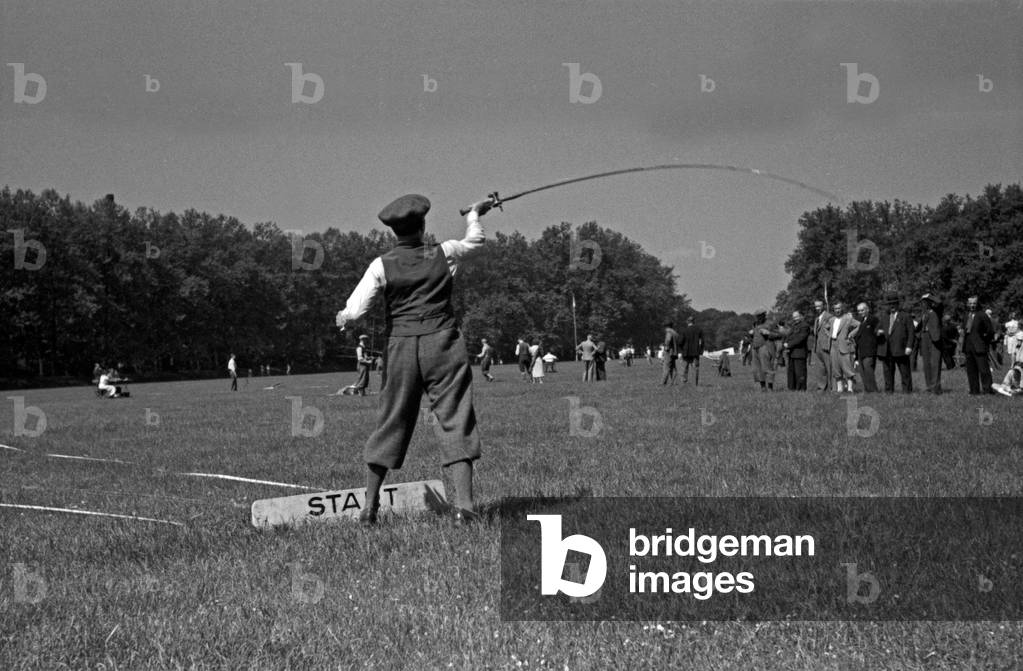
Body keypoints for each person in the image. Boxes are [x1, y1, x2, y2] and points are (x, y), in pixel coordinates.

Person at [335, 193, 492, 526]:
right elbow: (475, 243)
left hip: (401, 348)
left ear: (394, 232)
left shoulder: (381, 265)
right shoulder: (444, 252)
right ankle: (466, 507)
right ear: (423, 225)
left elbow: (356, 309)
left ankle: (370, 506)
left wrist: (343, 317)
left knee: (391, 420)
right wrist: (475, 214)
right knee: (454, 417)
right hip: (443, 343)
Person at [876, 293, 915, 393]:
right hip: (886, 350)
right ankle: (889, 391)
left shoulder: (905, 316)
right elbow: (876, 329)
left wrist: (909, 346)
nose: (891, 306)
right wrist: (878, 332)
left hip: (901, 349)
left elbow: (911, 332)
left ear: (898, 304)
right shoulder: (884, 316)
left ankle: (907, 391)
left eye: (894, 304)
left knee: (905, 372)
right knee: (887, 372)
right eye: (889, 304)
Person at [962, 295, 995, 395]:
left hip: (980, 347)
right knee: (971, 371)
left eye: (974, 303)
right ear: (968, 304)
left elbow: (990, 331)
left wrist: (983, 341)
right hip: (968, 346)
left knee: (984, 370)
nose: (972, 305)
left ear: (977, 304)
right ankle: (974, 391)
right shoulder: (966, 315)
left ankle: (988, 391)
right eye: (970, 303)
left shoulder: (982, 315)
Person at [829, 301, 859, 393]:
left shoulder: (848, 318)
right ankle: (839, 389)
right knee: (836, 368)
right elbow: (826, 328)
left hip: (844, 346)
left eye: (839, 308)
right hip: (833, 346)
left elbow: (859, 325)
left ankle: (850, 388)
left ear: (842, 308)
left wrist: (851, 334)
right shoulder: (831, 319)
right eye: (835, 309)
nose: (837, 310)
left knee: (847, 367)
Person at [918, 293, 944, 394]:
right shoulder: (924, 313)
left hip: (935, 338)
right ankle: (929, 387)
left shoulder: (937, 311)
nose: (922, 304)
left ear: (929, 302)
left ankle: (936, 389)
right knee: (926, 364)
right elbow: (920, 325)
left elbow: (940, 303)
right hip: (925, 338)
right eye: (922, 302)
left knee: (935, 363)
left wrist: (929, 296)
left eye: (924, 302)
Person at [851, 302, 879, 393]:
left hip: (870, 350)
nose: (860, 312)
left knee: (868, 369)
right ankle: (868, 390)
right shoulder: (859, 321)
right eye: (859, 311)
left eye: (862, 310)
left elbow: (877, 332)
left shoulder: (873, 319)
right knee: (862, 371)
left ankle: (873, 390)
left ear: (867, 309)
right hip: (860, 350)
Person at [751, 309, 781, 391]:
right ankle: (763, 387)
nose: (758, 318)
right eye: (757, 316)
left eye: (759, 316)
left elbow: (779, 335)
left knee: (767, 368)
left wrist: (768, 333)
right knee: (757, 369)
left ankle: (770, 387)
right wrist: (751, 334)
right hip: (755, 347)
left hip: (765, 346)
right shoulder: (755, 324)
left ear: (764, 315)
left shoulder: (771, 323)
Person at [783, 310, 810, 390]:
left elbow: (800, 338)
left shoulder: (805, 326)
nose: (795, 319)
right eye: (794, 317)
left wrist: (789, 344)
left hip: (800, 352)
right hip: (791, 353)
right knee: (791, 372)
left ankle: (801, 389)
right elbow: (788, 336)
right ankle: (792, 388)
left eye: (797, 317)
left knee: (800, 372)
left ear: (801, 316)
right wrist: (785, 342)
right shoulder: (793, 326)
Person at [811, 300, 835, 391]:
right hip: (818, 347)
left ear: (823, 306)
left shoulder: (829, 316)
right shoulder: (817, 319)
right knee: (820, 368)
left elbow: (831, 330)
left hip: (826, 346)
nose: (817, 308)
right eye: (816, 306)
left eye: (819, 306)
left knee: (829, 367)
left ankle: (831, 387)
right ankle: (821, 386)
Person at [679, 316, 704, 385]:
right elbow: (702, 341)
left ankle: (684, 382)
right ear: (694, 322)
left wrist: (682, 349)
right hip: (696, 352)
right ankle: (695, 383)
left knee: (684, 368)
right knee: (695, 368)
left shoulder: (684, 330)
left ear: (687, 322)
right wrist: (701, 351)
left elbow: (680, 342)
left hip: (686, 352)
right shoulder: (699, 330)